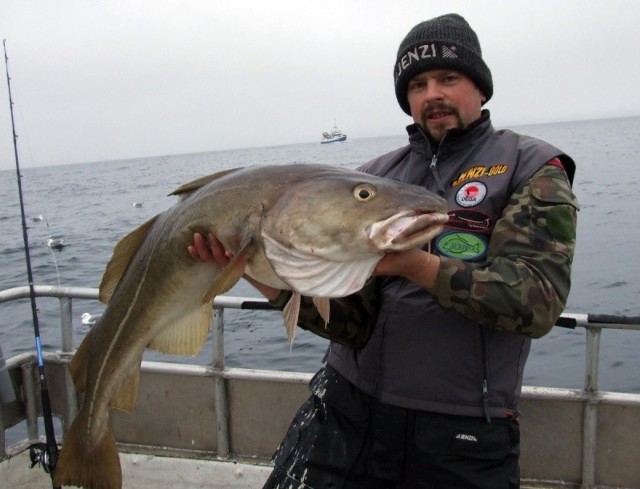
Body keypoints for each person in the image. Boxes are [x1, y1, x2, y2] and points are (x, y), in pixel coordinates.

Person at [189, 13, 579, 489]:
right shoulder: (372, 177)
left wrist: (417, 266)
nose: (432, 93)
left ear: (480, 88)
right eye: (417, 84)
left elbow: (536, 302)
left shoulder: (531, 167)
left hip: (461, 432)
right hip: (345, 411)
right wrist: (253, 268)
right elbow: (349, 324)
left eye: (448, 78)